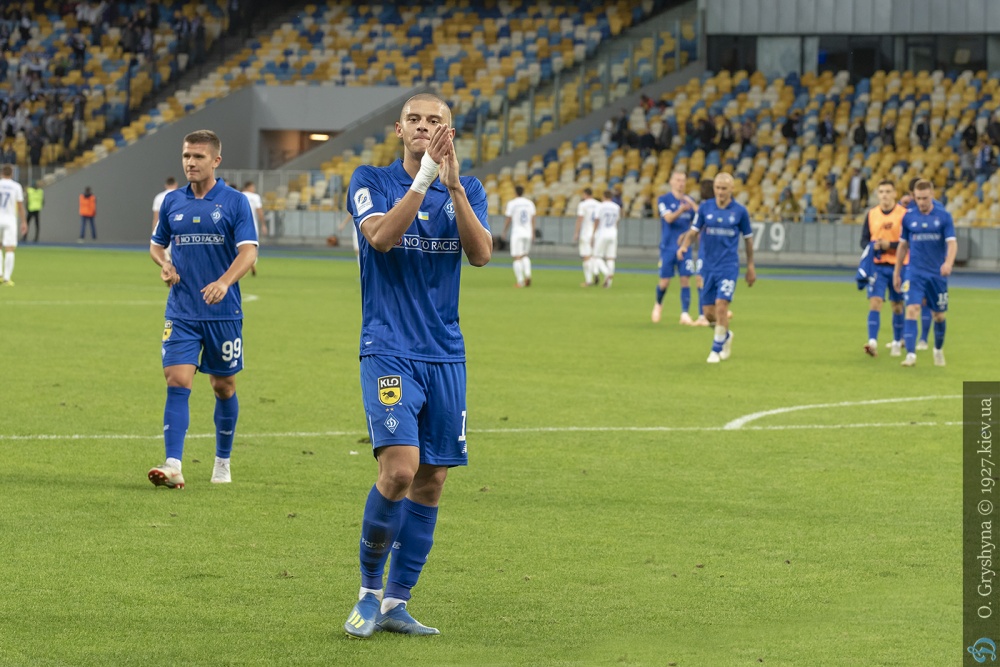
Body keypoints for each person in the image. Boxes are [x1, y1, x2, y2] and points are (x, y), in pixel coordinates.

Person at [342, 92, 492, 638]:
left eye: (435, 120)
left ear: (449, 132)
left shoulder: (468, 188)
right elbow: (381, 238)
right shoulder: (370, 180)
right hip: (388, 347)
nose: (424, 126)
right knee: (400, 470)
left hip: (445, 353)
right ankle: (367, 594)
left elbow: (481, 254)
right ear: (399, 129)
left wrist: (453, 187)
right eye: (415, 119)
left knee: (431, 481)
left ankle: (396, 602)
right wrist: (425, 178)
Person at [147, 129, 258, 490]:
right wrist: (165, 264)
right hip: (181, 310)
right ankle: (173, 464)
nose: (191, 163)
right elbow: (156, 245)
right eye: (186, 156)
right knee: (177, 380)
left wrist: (224, 282)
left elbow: (249, 252)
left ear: (216, 161)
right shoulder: (172, 202)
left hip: (223, 314)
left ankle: (222, 461)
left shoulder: (235, 202)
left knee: (223, 386)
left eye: (198, 157)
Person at [676, 172, 755, 363]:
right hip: (708, 267)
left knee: (721, 306)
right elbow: (694, 231)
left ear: (732, 189)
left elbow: (748, 239)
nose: (720, 192)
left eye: (724, 188)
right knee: (709, 314)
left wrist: (750, 265)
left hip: (728, 266)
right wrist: (684, 246)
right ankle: (725, 335)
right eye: (718, 188)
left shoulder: (740, 211)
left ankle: (715, 350)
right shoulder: (705, 208)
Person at [893, 180, 956, 367]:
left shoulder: (943, 216)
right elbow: (903, 246)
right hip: (915, 273)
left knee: (939, 316)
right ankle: (911, 355)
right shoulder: (908, 217)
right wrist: (897, 272)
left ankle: (938, 349)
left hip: (936, 274)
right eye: (918, 198)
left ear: (932, 195)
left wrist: (948, 263)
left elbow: (952, 243)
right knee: (912, 309)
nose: (921, 202)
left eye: (925, 198)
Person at [860, 180, 907, 358]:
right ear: (878, 195)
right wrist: (874, 246)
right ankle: (872, 342)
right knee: (875, 302)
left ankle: (896, 341)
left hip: (898, 266)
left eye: (888, 191)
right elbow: (863, 240)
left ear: (895, 194)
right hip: (877, 266)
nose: (885, 195)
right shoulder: (872, 214)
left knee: (897, 305)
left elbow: (909, 241)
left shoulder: (903, 214)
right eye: (881, 192)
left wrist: (891, 245)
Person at [652, 171, 699, 325]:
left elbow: (698, 222)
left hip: (685, 247)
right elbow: (669, 218)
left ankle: (684, 313)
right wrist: (681, 210)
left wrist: (692, 206)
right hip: (668, 247)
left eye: (683, 181)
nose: (681, 183)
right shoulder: (664, 200)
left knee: (685, 279)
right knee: (664, 282)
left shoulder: (689, 201)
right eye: (678, 180)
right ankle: (658, 304)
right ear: (671, 182)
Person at [501, 185, 535, 288]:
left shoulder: (512, 203)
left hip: (517, 233)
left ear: (515, 192)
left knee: (516, 257)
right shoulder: (530, 203)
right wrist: (533, 232)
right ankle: (528, 275)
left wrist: (504, 231)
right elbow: (533, 218)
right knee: (525, 255)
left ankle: (520, 281)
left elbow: (508, 219)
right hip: (528, 232)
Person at [0, 164, 26, 286]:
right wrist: (24, 221)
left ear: (1, 173)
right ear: (12, 174)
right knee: (9, 248)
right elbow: (20, 206)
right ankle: (7, 278)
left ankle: (0, 274)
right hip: (10, 220)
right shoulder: (16, 186)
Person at [592, 189, 620, 288]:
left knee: (596, 257)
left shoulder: (600, 206)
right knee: (610, 258)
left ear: (603, 196)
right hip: (613, 233)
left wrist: (593, 234)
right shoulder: (616, 207)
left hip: (602, 233)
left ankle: (607, 273)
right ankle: (608, 284)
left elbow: (597, 220)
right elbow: (617, 221)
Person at [573, 187, 599, 287]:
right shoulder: (598, 204)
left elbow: (580, 219)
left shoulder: (583, 205)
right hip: (596, 233)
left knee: (586, 256)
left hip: (586, 232)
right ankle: (596, 271)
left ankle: (589, 280)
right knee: (593, 256)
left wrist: (576, 232)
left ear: (585, 194)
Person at [241, 181, 265, 276]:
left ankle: (243, 267)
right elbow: (259, 211)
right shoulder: (255, 197)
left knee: (239, 246)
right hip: (252, 225)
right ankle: (252, 263)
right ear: (249, 187)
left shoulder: (239, 195)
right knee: (252, 246)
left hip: (239, 225)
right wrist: (263, 224)